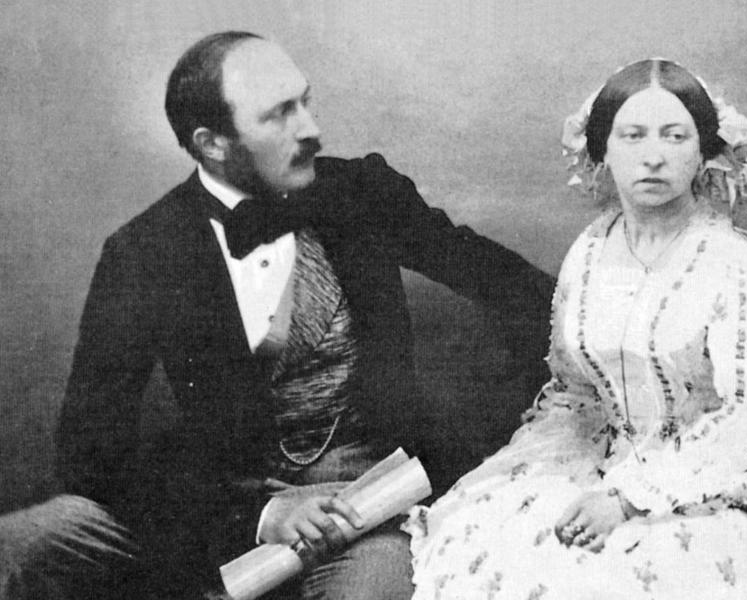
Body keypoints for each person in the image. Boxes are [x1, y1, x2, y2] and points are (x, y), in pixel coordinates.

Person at [10, 30, 555, 600]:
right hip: (215, 506)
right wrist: (261, 513)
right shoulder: (144, 250)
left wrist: (609, 318)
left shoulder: (361, 192)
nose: (311, 130)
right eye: (278, 115)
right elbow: (88, 452)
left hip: (359, 502)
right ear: (212, 143)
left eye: (305, 102)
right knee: (23, 543)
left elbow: (501, 278)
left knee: (372, 591)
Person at [406, 59, 747, 599]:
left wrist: (628, 498)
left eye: (675, 136)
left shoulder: (734, 263)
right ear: (602, 151)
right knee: (496, 544)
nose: (653, 155)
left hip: (724, 469)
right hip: (604, 453)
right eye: (633, 135)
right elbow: (574, 390)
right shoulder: (592, 252)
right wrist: (569, 474)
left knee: (638, 572)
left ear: (703, 151)